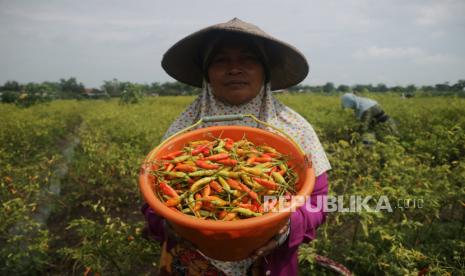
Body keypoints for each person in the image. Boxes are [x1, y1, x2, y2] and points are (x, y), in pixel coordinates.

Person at [142, 18, 331, 275]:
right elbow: (154, 199)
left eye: (248, 59)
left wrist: (285, 227)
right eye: (220, 60)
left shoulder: (295, 129)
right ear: (207, 73)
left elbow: (318, 204)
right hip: (190, 263)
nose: (234, 69)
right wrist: (170, 225)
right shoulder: (184, 129)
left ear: (265, 70)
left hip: (269, 265)